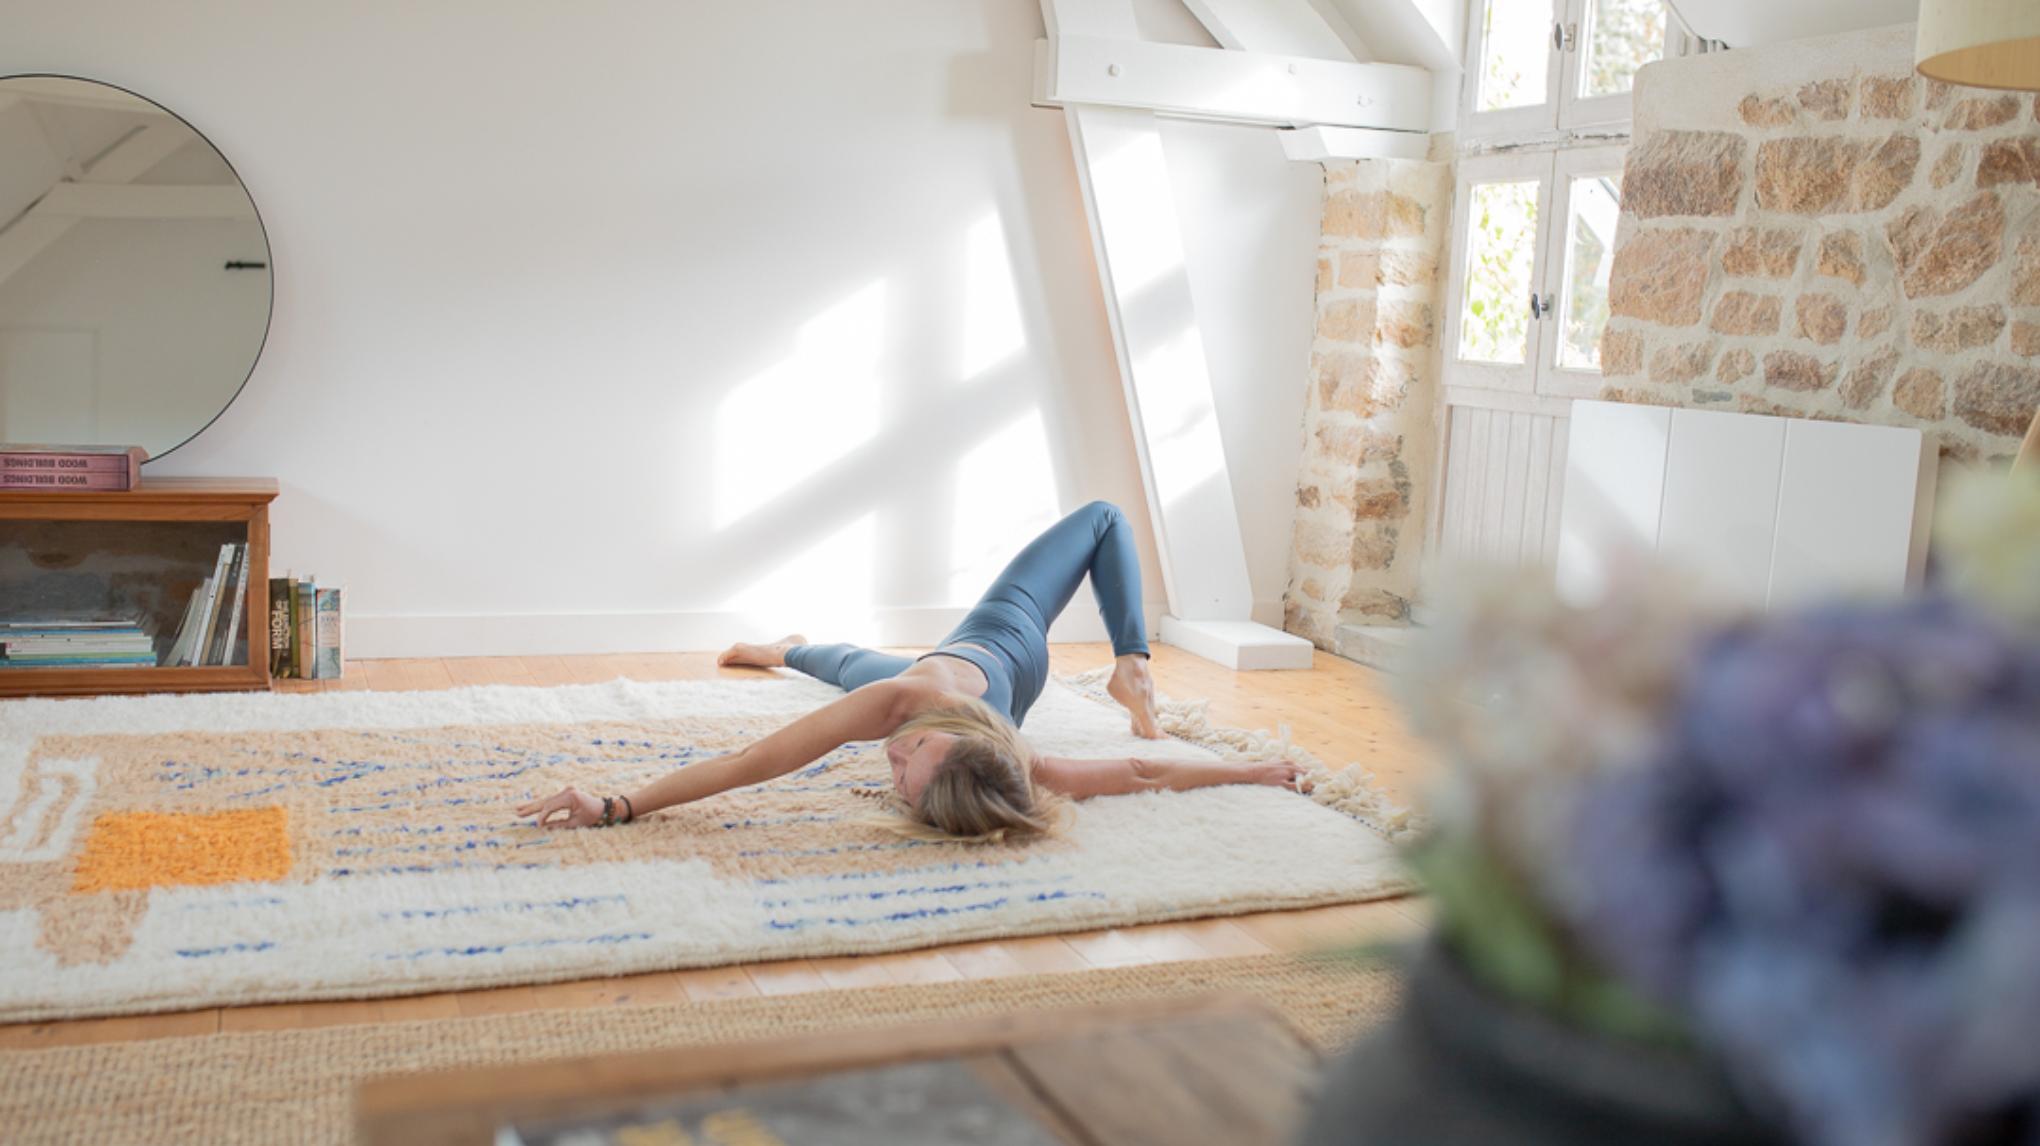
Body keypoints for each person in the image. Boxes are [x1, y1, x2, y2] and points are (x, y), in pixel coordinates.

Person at [518, 501, 1309, 840]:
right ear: (972, 743)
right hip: (1007, 634)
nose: (892, 757)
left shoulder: (988, 752)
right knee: (1102, 519)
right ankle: (1131, 671)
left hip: (990, 678)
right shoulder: (929, 714)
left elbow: (1139, 771)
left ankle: (786, 647)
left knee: (851, 669)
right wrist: (1248, 767)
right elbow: (750, 762)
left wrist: (615, 807)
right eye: (914, 757)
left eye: (901, 778)